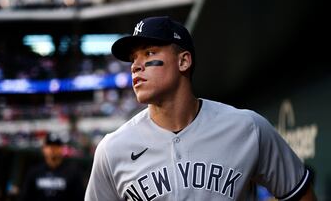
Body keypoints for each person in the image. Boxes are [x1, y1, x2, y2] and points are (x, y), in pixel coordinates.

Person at [85, 16, 316, 200]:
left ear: (183, 61)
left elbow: (300, 193)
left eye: (149, 53)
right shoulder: (112, 149)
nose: (135, 66)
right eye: (133, 58)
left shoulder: (248, 128)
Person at [19, 133, 84, 201]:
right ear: (44, 149)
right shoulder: (34, 172)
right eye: (50, 145)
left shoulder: (72, 173)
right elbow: (25, 197)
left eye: (56, 146)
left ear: (62, 149)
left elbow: (79, 197)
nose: (53, 149)